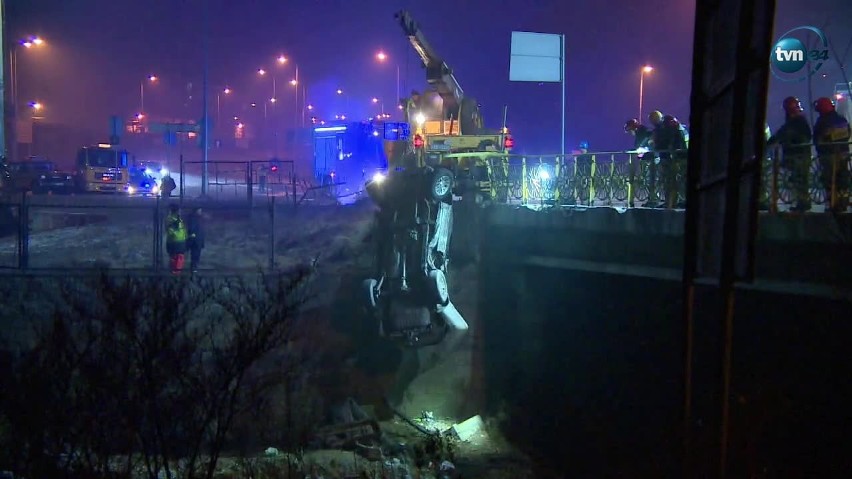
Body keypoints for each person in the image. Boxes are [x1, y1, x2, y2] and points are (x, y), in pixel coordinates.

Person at [768, 96, 812, 212]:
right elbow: (782, 133)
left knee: (800, 179)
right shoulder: (795, 121)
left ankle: (803, 202)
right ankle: (803, 202)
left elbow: (788, 134)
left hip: (799, 155)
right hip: (799, 155)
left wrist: (786, 140)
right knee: (799, 179)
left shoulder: (797, 122)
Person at [812, 96, 851, 212]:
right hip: (843, 154)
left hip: (828, 155)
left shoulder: (822, 122)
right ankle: (843, 202)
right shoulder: (841, 120)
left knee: (829, 180)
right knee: (843, 178)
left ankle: (832, 203)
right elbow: (847, 134)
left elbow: (817, 138)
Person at [650, 111, 689, 208]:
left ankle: (674, 202)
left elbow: (670, 141)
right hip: (671, 156)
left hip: (675, 156)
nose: (652, 123)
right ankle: (671, 202)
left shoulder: (668, 125)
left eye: (653, 120)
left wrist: (658, 146)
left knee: (674, 180)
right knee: (670, 180)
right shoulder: (665, 127)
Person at [625, 119, 653, 207]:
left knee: (650, 179)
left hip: (649, 158)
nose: (630, 133)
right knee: (649, 179)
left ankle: (652, 199)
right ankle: (650, 199)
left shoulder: (642, 131)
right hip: (646, 157)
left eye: (630, 131)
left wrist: (638, 150)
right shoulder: (641, 131)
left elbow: (642, 145)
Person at [165, 204, 187, 273]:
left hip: (179, 240)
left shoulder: (177, 218)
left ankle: (176, 271)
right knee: (175, 257)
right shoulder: (171, 219)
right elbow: (170, 230)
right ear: (176, 211)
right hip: (174, 241)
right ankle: (174, 272)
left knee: (178, 258)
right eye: (179, 210)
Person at [187, 206, 205, 272]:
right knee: (195, 255)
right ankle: (194, 268)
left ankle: (194, 267)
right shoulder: (194, 218)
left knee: (195, 255)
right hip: (196, 241)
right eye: (200, 210)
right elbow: (192, 229)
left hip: (197, 240)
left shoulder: (197, 218)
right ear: (196, 211)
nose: (201, 212)